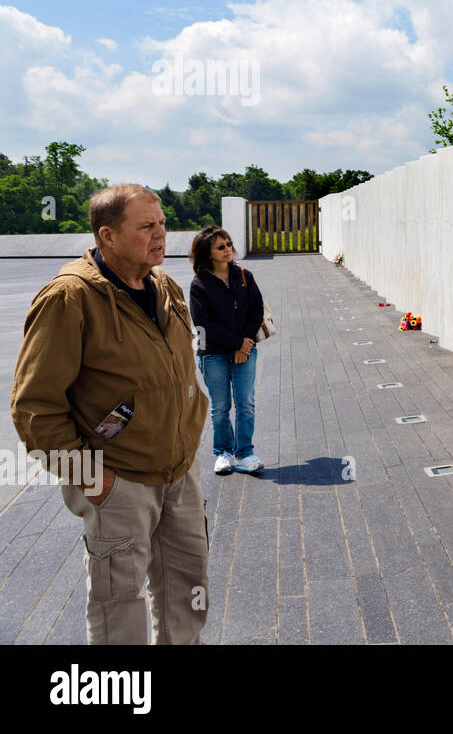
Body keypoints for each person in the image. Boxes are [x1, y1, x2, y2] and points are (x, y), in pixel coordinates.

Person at [10, 184, 209, 645]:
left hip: (179, 473)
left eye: (161, 223)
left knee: (187, 590)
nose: (161, 234)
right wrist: (92, 479)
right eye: (146, 226)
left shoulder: (163, 285)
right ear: (108, 235)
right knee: (118, 604)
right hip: (119, 482)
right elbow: (34, 407)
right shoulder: (69, 298)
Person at [188, 225, 265, 475]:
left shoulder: (244, 275)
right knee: (220, 406)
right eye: (221, 247)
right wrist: (237, 344)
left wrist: (246, 343)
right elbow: (203, 324)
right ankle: (223, 453)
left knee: (246, 403)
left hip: (246, 348)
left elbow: (256, 311)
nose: (227, 249)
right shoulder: (199, 283)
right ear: (208, 253)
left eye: (229, 244)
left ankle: (245, 454)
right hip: (213, 354)